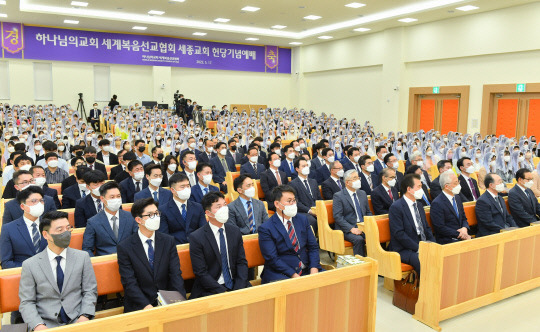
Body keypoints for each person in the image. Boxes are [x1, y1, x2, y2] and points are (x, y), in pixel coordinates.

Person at [19, 211, 97, 329]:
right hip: (46, 323)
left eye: (68, 228)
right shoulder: (30, 265)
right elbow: (27, 302)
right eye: (60, 230)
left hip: (77, 319)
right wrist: (38, 325)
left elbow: (90, 291)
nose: (66, 233)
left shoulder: (82, 257)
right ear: (46, 235)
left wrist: (84, 315)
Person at [117, 198, 186, 313]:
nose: (156, 217)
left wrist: (178, 300)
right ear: (138, 219)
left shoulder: (168, 241)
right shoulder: (125, 247)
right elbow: (129, 282)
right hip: (139, 304)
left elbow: (175, 274)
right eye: (150, 215)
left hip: (167, 300)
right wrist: (146, 305)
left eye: (157, 213)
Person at [189, 191, 250, 298]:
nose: (224, 209)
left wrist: (238, 288)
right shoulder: (197, 237)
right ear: (208, 213)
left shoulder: (234, 231)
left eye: (224, 205)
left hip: (235, 284)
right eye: (218, 206)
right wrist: (223, 293)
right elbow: (201, 272)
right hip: (211, 287)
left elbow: (241, 262)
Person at [258, 185, 321, 283]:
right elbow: (273, 259)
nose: (293, 204)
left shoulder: (303, 219)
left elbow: (313, 247)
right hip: (282, 272)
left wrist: (314, 268)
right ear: (277, 204)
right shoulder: (266, 228)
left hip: (307, 268)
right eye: (289, 201)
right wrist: (294, 275)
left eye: (294, 200)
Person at [389, 174, 435, 274]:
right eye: (418, 187)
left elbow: (426, 228)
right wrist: (418, 248)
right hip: (404, 248)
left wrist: (433, 243)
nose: (421, 189)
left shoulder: (418, 205)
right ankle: (424, 288)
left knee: (439, 253)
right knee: (421, 260)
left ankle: (438, 287)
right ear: (409, 189)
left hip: (421, 242)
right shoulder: (396, 207)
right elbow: (399, 234)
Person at [82, 182, 138, 256]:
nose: (116, 199)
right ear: (102, 198)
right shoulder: (93, 222)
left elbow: (138, 241)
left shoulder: (130, 217)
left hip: (129, 258)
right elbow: (87, 248)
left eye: (118, 196)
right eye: (112, 197)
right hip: (105, 261)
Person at [0, 186, 48, 269]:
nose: (39, 204)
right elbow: (6, 262)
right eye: (34, 201)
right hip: (23, 275)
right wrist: (32, 269)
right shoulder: (8, 229)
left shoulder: (50, 225)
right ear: (22, 206)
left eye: (41, 201)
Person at [333, 170, 373, 255]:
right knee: (358, 239)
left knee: (375, 235)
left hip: (363, 225)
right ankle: (360, 263)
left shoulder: (362, 193)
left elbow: (368, 212)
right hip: (348, 227)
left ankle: (375, 261)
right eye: (355, 178)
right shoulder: (338, 196)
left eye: (358, 178)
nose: (358, 180)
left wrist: (368, 224)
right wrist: (351, 229)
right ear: (347, 182)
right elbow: (338, 217)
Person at [159, 173, 206, 244]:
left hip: (197, 245)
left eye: (188, 186)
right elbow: (164, 236)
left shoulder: (198, 207)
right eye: (182, 187)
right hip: (175, 248)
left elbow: (204, 230)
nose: (186, 189)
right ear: (173, 190)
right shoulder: (163, 210)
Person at [430, 171, 471, 244]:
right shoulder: (437, 203)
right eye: (455, 183)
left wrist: (465, 228)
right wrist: (460, 235)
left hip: (462, 235)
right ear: (446, 186)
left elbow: (464, 218)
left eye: (458, 182)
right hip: (448, 239)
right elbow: (440, 228)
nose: (458, 185)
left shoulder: (457, 198)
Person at [288, 158, 321, 233]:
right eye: (303, 166)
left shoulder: (313, 181)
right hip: (303, 211)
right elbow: (296, 202)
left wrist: (319, 208)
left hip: (317, 209)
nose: (306, 167)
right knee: (312, 221)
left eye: (307, 165)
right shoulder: (293, 184)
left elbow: (319, 198)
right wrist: (309, 211)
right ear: (297, 169)